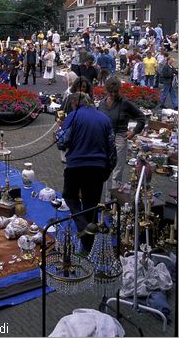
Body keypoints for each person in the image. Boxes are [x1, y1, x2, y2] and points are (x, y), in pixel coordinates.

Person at [56, 92, 116, 252]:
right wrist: (108, 169)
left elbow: (62, 142)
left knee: (69, 196)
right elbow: (112, 147)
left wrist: (58, 129)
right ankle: (88, 248)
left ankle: (83, 226)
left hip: (76, 165)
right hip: (97, 168)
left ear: (75, 103)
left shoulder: (74, 116)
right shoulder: (104, 118)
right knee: (91, 206)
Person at [98, 76, 145, 192]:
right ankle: (103, 193)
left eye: (116, 92)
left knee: (117, 168)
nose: (114, 94)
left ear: (120, 89)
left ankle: (114, 196)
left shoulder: (125, 103)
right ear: (107, 91)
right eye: (111, 92)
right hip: (103, 137)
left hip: (119, 137)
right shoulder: (102, 103)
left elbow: (141, 117)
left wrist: (134, 131)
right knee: (102, 165)